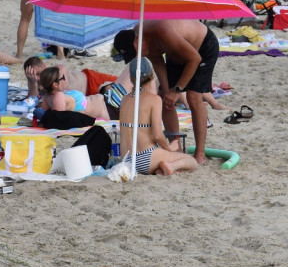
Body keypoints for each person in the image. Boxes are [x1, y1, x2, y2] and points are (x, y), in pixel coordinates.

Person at [113, 20, 220, 166]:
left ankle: (200, 153)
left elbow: (194, 59)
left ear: (138, 39)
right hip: (176, 52)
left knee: (193, 97)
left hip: (201, 49)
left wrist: (176, 91)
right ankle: (176, 147)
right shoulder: (141, 38)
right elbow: (157, 61)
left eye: (136, 52)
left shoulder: (161, 30)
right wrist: (167, 90)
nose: (138, 56)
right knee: (164, 97)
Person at [117, 57, 198, 175]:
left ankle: (160, 170)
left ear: (131, 78)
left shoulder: (125, 99)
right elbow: (157, 135)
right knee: (191, 161)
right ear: (151, 74)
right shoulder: (154, 100)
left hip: (126, 159)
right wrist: (169, 148)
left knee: (164, 156)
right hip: (146, 156)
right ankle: (170, 165)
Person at [37, 66, 110, 120]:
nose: (65, 80)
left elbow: (44, 114)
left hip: (105, 102)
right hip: (106, 108)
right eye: (63, 78)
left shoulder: (47, 96)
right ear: (55, 85)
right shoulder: (58, 96)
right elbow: (59, 119)